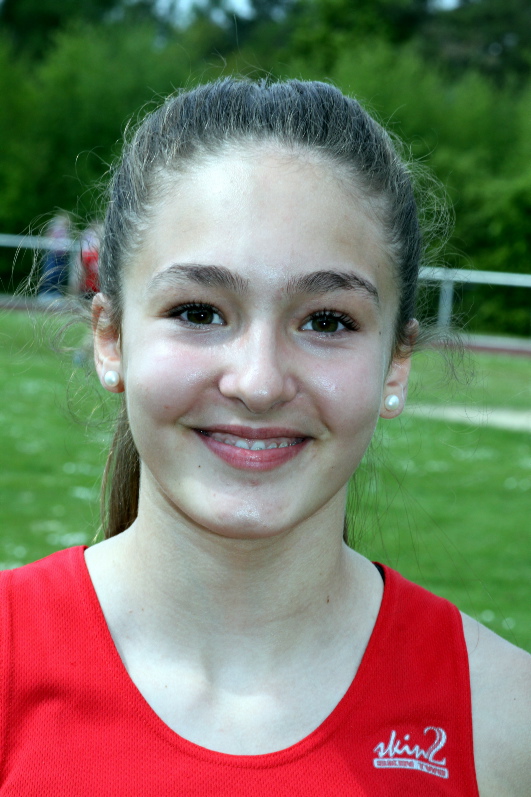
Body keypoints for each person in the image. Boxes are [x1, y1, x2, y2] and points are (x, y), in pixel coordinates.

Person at [1, 79, 529, 795]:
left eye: (327, 321)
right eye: (198, 311)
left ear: (396, 363)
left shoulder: (504, 720)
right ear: (110, 339)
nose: (257, 381)